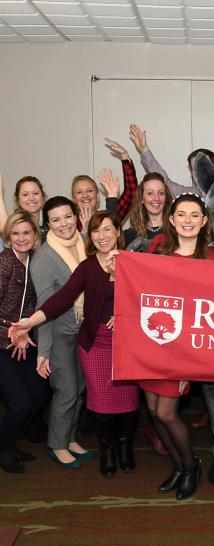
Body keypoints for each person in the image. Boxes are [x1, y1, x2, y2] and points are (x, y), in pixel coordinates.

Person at [11, 211, 141, 478]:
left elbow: (149, 300)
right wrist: (30, 322)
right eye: (96, 231)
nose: (102, 236)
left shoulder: (134, 262)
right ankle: (107, 450)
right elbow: (61, 299)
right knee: (101, 402)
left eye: (108, 230)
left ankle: (124, 447)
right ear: (90, 235)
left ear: (118, 231)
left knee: (128, 401)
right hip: (94, 343)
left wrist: (125, 313)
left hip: (127, 344)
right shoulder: (88, 267)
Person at [142, 193, 209, 499]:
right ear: (171, 220)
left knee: (168, 413)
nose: (187, 220)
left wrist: (190, 364)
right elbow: (141, 286)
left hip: (185, 350)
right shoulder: (159, 249)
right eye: (181, 214)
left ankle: (191, 465)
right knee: (154, 412)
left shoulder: (211, 259)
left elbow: (212, 315)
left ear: (204, 221)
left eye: (194, 215)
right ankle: (179, 466)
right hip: (154, 342)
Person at [28, 197, 92, 468]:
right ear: (47, 224)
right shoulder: (43, 258)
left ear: (75, 215)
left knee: (79, 388)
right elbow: (45, 308)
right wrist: (43, 352)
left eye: (68, 216)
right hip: (59, 334)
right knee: (66, 391)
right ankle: (57, 445)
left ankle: (70, 437)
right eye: (55, 220)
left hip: (83, 329)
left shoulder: (83, 241)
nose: (64, 224)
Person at [0, 212, 50, 473]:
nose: (21, 238)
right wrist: (14, 332)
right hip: (2, 342)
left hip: (22, 339)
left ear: (34, 237)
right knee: (20, 402)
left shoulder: (34, 262)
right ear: (8, 237)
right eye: (16, 233)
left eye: (26, 233)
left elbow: (32, 304)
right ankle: (4, 445)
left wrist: (24, 331)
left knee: (40, 394)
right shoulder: (5, 262)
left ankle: (10, 439)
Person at [129, 123, 214, 197]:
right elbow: (165, 183)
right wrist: (144, 149)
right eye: (195, 169)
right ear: (192, 174)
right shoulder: (190, 196)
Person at [123, 172, 174, 252]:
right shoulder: (129, 235)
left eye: (161, 193)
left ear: (166, 198)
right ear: (142, 199)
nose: (156, 198)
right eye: (150, 193)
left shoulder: (176, 232)